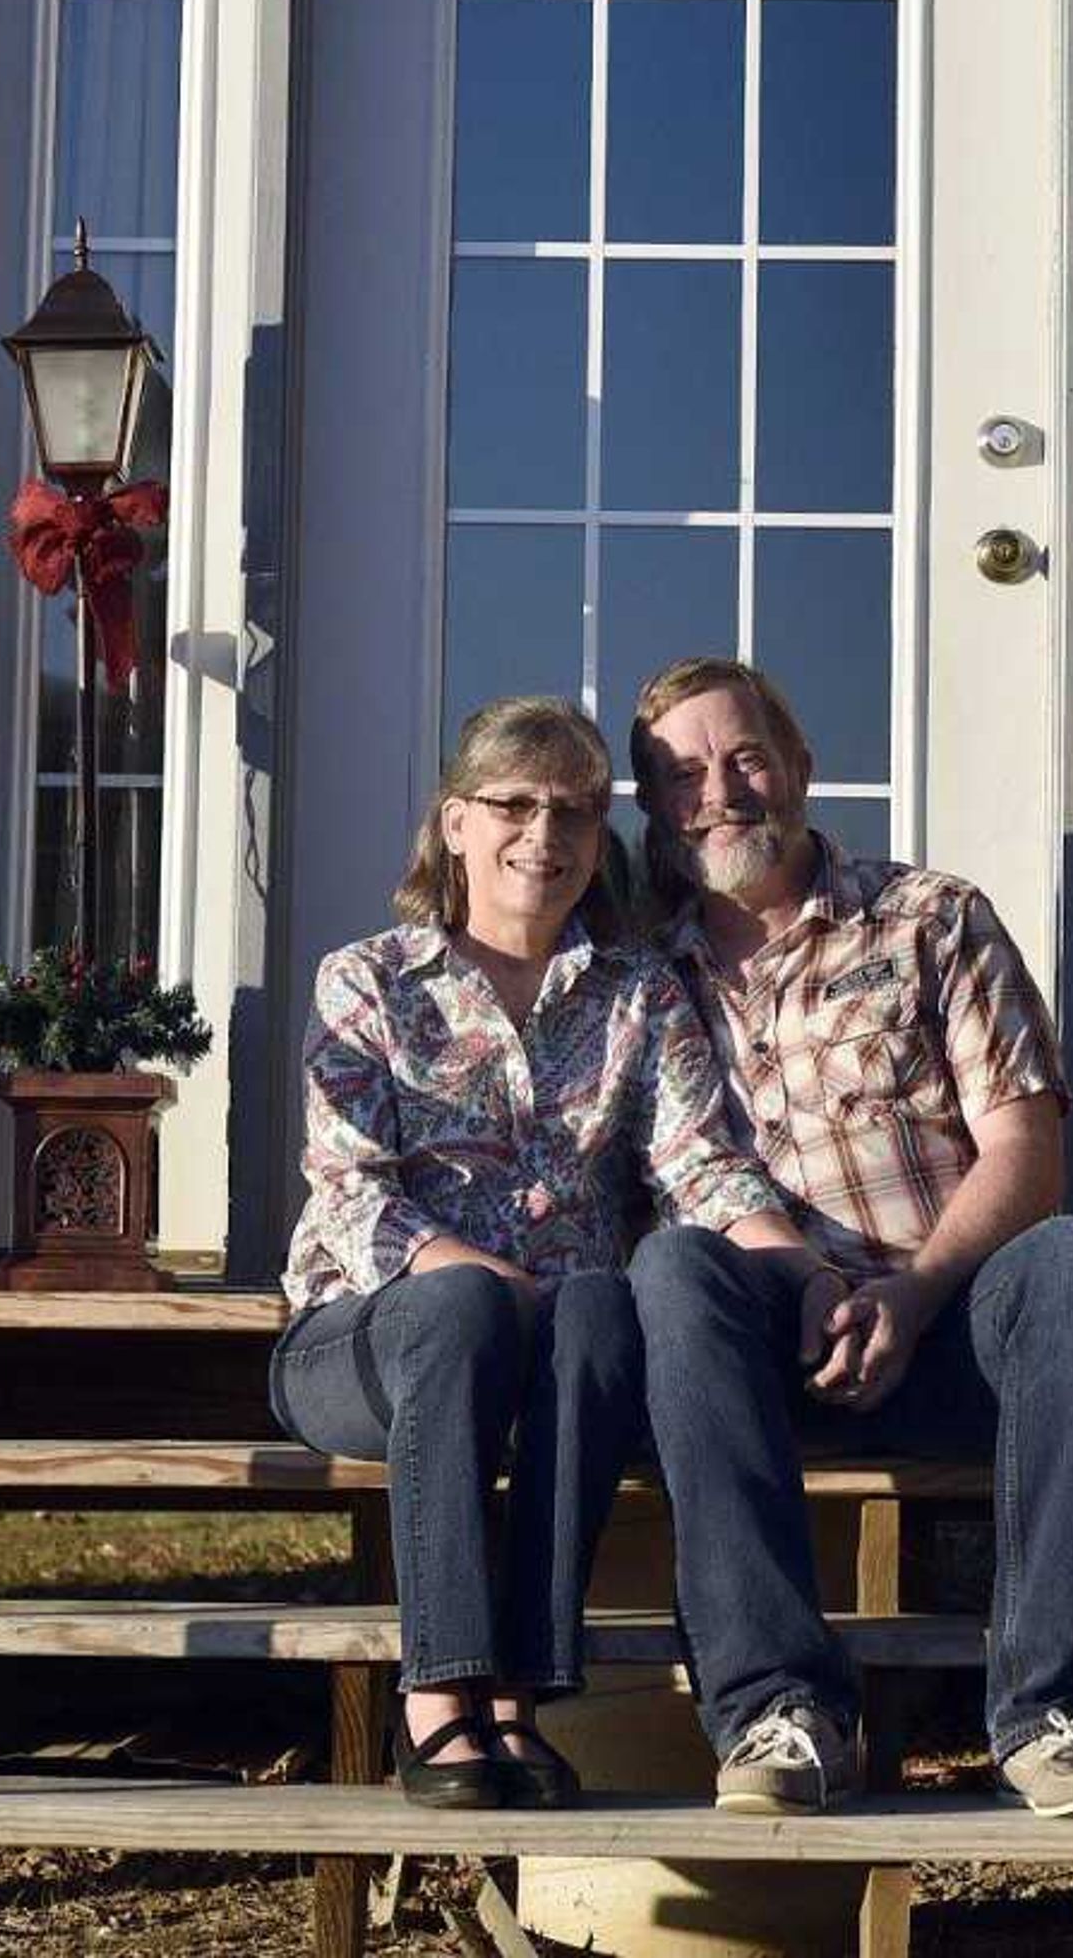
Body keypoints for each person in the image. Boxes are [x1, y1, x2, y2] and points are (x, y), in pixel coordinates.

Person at [270, 694, 823, 1810]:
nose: (545, 833)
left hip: (563, 1354)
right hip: (362, 1344)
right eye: (513, 804)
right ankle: (439, 1699)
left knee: (597, 1307)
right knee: (469, 1307)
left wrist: (807, 1272)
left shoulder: (636, 994)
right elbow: (349, 1193)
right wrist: (489, 1281)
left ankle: (519, 1699)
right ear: (454, 823)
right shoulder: (367, 980)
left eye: (575, 809)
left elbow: (697, 1164)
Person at [622, 656, 1073, 1820]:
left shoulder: (931, 918)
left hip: (952, 1321)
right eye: (683, 773)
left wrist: (913, 1291)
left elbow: (1028, 1148)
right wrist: (805, 1285)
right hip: (758, 1350)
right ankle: (776, 1709)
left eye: (744, 756)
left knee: (1072, 1259)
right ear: (655, 809)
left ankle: (1056, 1715)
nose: (722, 790)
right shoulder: (643, 978)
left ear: (798, 762)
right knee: (670, 1266)